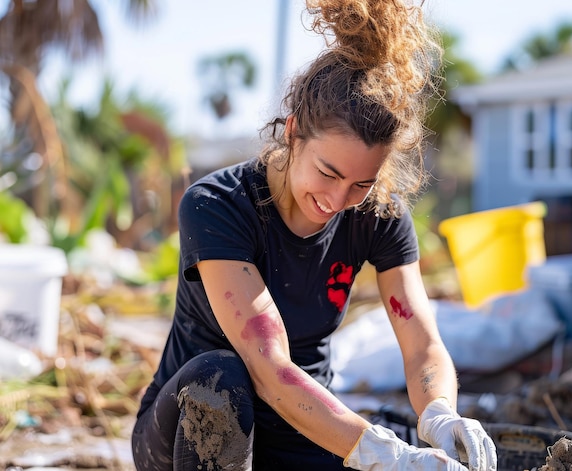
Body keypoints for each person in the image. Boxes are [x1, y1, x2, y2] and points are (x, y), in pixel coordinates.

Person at [132, 0, 498, 470]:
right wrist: (380, 453)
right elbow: (271, 369)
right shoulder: (217, 205)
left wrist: (440, 415)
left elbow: (422, 344)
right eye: (328, 172)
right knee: (220, 379)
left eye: (361, 183)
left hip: (305, 430)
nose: (337, 198)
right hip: (189, 433)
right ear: (293, 132)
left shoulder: (378, 214)